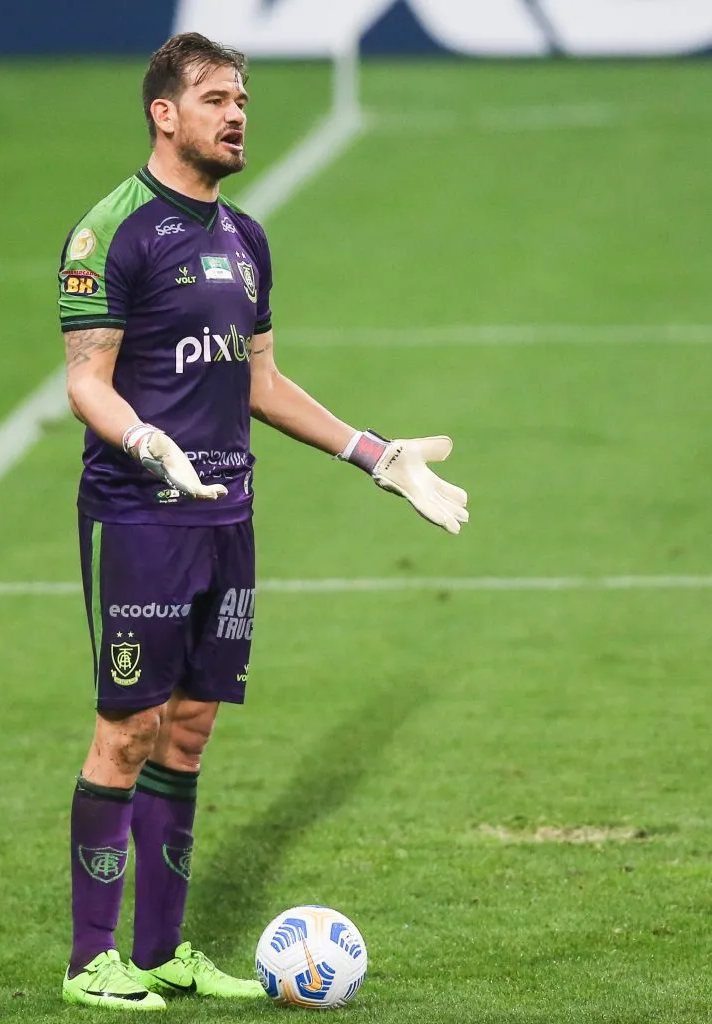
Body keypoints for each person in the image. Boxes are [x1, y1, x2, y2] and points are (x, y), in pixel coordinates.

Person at [57, 31, 468, 1012]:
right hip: (143, 515)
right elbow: (86, 383)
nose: (237, 113)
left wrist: (376, 456)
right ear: (166, 113)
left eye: (242, 98)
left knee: (188, 730)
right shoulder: (110, 231)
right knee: (127, 729)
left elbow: (261, 382)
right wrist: (148, 441)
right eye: (216, 99)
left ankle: (159, 951)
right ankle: (88, 963)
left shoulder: (245, 238)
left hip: (227, 519)